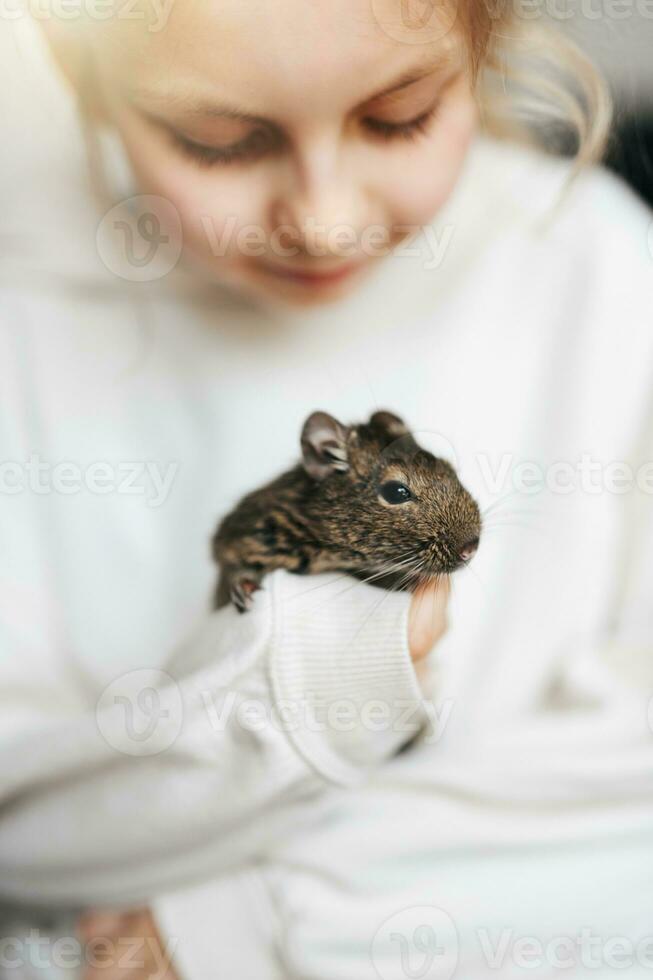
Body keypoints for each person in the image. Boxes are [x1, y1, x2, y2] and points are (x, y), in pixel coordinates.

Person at [0, 1, 652, 978]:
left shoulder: (594, 268)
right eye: (216, 142)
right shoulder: (30, 317)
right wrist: (305, 680)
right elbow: (26, 825)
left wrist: (254, 914)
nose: (324, 219)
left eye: (397, 119)